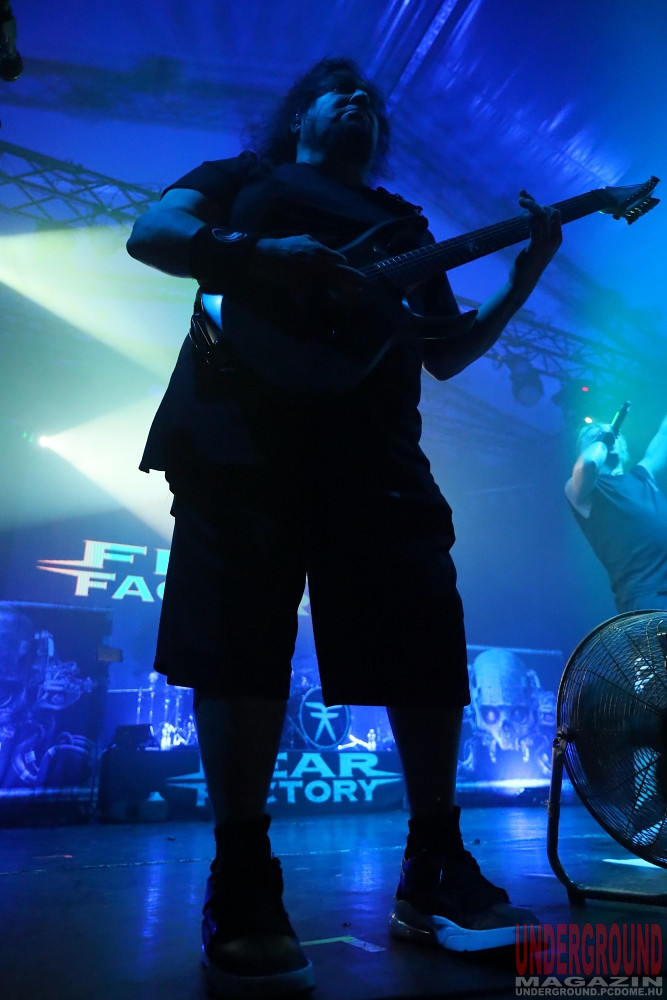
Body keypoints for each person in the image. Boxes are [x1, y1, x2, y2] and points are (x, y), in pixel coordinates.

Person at [127, 56, 562, 999]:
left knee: (424, 639)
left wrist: (524, 273)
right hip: (239, 433)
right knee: (238, 642)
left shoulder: (406, 226)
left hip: (376, 451)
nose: (360, 98)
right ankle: (243, 878)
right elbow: (153, 232)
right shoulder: (244, 176)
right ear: (299, 119)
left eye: (370, 98)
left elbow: (445, 351)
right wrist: (253, 254)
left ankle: (433, 864)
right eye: (339, 92)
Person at [565, 413, 667, 613]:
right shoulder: (582, 491)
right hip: (649, 599)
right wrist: (605, 438)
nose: (608, 435)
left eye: (614, 433)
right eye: (594, 435)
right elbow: (588, 464)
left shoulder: (643, 476)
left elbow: (664, 434)